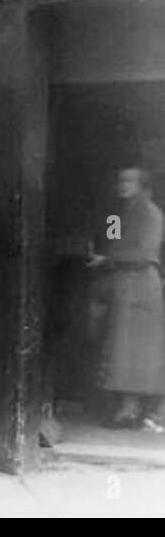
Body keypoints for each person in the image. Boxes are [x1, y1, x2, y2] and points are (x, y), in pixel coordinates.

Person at [87, 166, 165, 429]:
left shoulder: (151, 214)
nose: (122, 184)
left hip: (141, 285)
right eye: (120, 179)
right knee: (122, 349)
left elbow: (144, 252)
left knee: (133, 351)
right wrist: (104, 255)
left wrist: (107, 259)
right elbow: (115, 244)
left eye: (129, 180)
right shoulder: (120, 215)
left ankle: (131, 411)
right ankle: (127, 409)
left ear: (143, 185)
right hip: (124, 286)